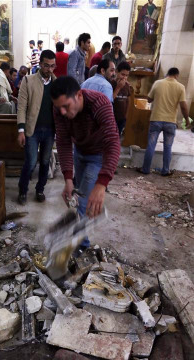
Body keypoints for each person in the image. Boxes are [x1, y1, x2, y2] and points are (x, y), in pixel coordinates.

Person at [51, 76, 120, 251]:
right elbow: (63, 141)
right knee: (78, 198)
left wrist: (102, 183)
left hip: (97, 155)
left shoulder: (99, 103)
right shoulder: (59, 109)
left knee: (83, 204)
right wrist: (68, 178)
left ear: (79, 95)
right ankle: (81, 242)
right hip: (79, 151)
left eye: (66, 106)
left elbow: (113, 142)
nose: (63, 113)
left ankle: (80, 247)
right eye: (59, 108)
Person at [17, 49, 57, 205]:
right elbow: (21, 107)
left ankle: (40, 189)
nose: (49, 69)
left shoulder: (56, 83)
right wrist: (21, 130)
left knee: (45, 162)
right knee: (31, 162)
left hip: (49, 130)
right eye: (46, 66)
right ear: (40, 64)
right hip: (32, 130)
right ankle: (23, 190)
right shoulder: (28, 81)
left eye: (52, 66)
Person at [140, 67, 190, 176]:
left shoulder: (158, 83)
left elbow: (149, 99)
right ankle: (165, 170)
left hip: (156, 119)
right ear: (176, 75)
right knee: (168, 147)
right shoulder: (180, 87)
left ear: (167, 74)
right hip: (170, 122)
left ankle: (145, 169)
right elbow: (184, 106)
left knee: (151, 145)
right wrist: (187, 119)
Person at [111, 61, 132, 135]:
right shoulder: (111, 84)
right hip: (112, 117)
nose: (124, 77)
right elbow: (109, 101)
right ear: (116, 72)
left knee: (117, 136)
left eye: (127, 75)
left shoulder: (127, 85)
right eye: (122, 74)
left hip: (122, 118)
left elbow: (128, 101)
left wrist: (126, 116)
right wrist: (118, 88)